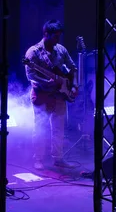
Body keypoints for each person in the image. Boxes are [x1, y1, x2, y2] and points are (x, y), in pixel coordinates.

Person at [24, 20, 79, 170]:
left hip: (60, 95)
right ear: (46, 34)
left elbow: (73, 68)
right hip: (42, 95)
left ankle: (58, 158)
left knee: (59, 129)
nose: (57, 40)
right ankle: (39, 159)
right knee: (40, 128)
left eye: (59, 36)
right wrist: (46, 82)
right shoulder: (33, 52)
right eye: (55, 37)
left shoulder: (61, 49)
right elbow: (30, 75)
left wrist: (72, 85)